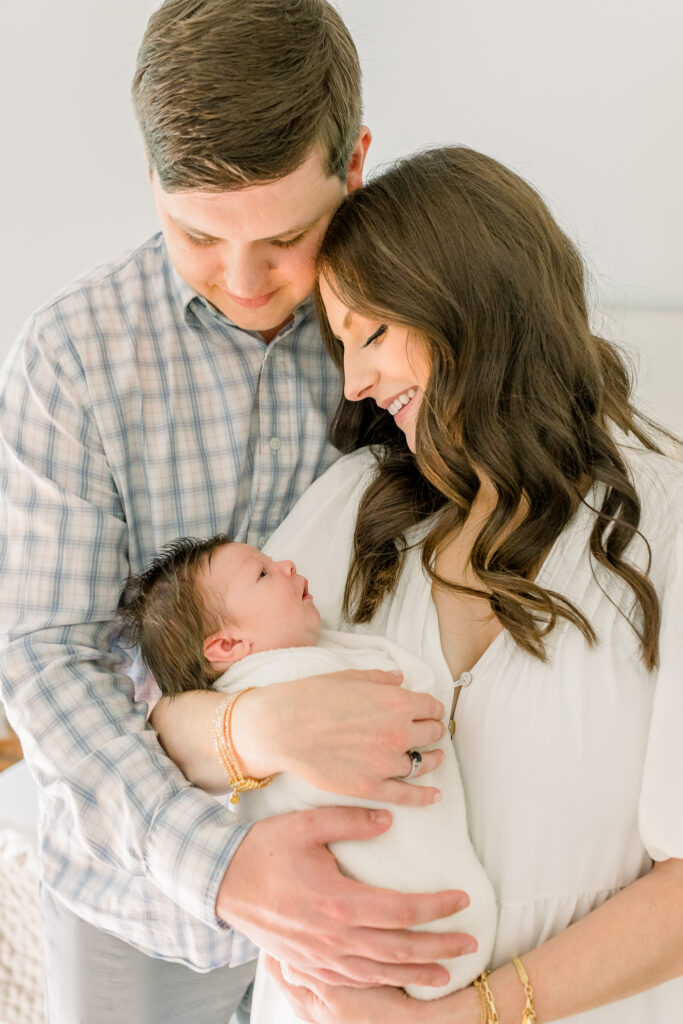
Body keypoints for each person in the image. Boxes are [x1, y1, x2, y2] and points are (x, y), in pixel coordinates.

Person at [0, 4, 473, 1022]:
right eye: (197, 235)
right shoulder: (72, 357)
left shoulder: (404, 332)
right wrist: (220, 865)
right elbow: (44, 652)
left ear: (353, 161)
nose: (244, 279)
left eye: (286, 237)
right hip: (138, 899)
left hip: (370, 876)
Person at [153, 146, 683, 1022]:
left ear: (470, 309)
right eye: (340, 344)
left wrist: (466, 1015)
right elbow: (173, 721)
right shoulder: (361, 503)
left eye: (372, 334)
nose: (355, 381)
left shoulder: (663, 523)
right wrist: (254, 725)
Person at [118, 533, 498, 1004]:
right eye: (263, 573)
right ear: (228, 644)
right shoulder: (277, 685)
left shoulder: (304, 662)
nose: (288, 565)